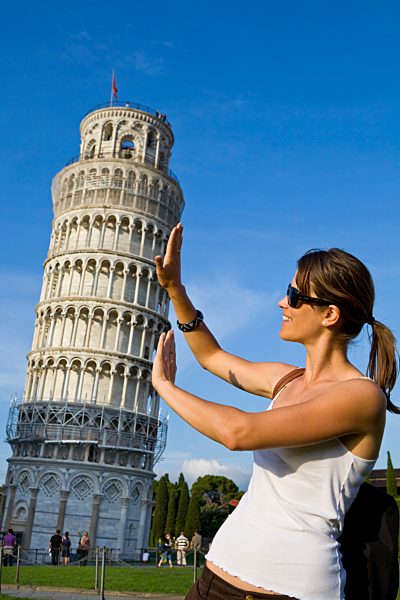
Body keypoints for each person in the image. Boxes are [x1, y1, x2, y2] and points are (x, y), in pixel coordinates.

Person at [153, 223, 399, 600]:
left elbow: (239, 433)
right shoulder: (287, 379)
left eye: (294, 295)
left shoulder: (362, 397)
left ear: (329, 314)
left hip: (285, 591)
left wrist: (166, 388)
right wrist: (176, 290)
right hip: (214, 580)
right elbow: (211, 357)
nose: (282, 303)